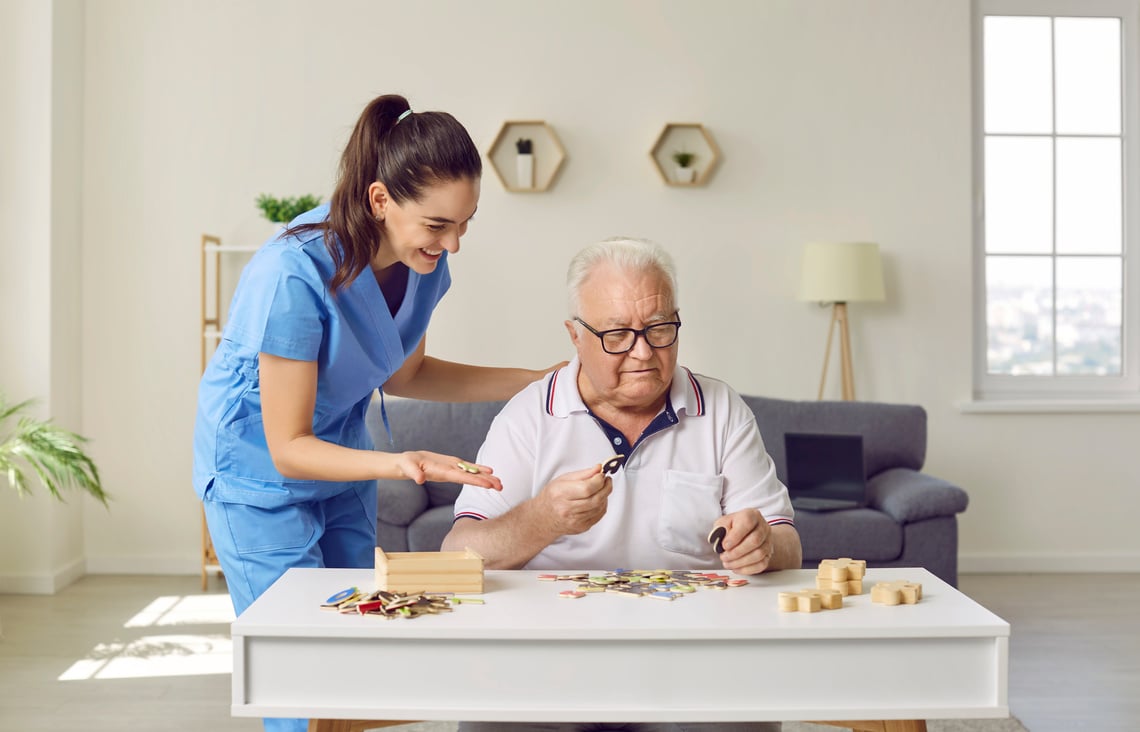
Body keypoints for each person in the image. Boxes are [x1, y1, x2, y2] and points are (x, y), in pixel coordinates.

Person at [192, 93, 560, 732]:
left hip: (340, 455)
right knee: (297, 667)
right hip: (256, 471)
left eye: (465, 223)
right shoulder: (292, 275)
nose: (454, 243)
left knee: (358, 645)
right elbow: (287, 444)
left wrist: (535, 381)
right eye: (438, 225)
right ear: (381, 200)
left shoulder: (424, 266)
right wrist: (401, 460)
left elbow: (406, 371)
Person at [443, 236, 800, 732]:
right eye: (617, 335)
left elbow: (788, 546)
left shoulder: (720, 409)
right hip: (551, 655)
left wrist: (762, 544)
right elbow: (457, 555)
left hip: (692, 654)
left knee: (746, 717)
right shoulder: (528, 415)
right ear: (575, 335)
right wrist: (543, 519)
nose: (643, 352)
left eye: (660, 329)